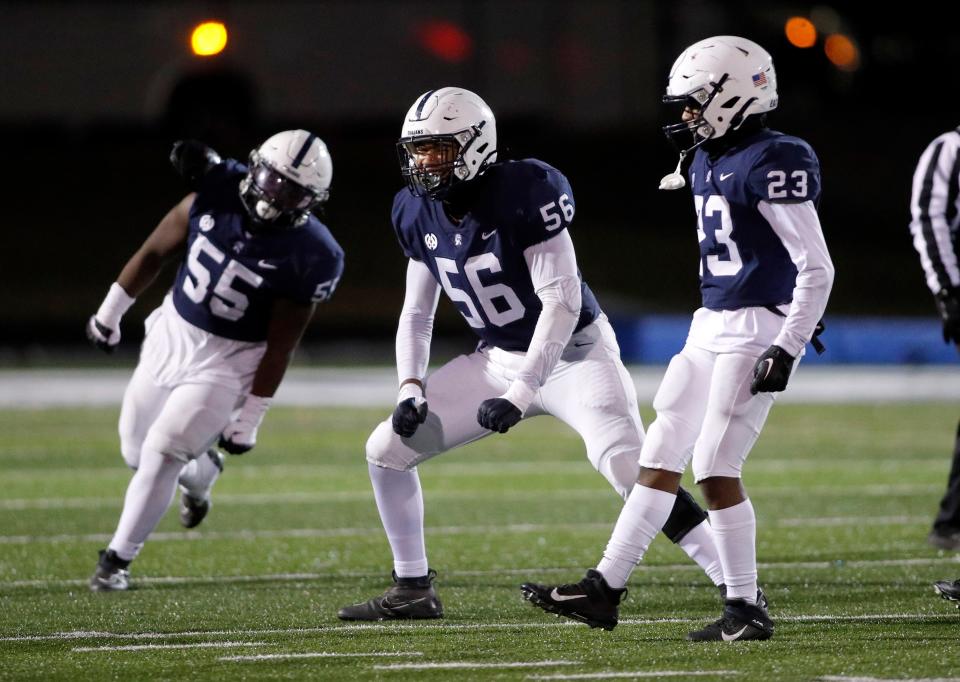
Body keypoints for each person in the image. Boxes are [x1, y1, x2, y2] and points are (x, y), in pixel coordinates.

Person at [336, 86, 728, 624]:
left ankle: (736, 587)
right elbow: (416, 314)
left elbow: (562, 303)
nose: (425, 163)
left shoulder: (525, 191)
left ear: (476, 147)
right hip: (497, 358)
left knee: (629, 468)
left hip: (575, 356)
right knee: (386, 449)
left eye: (438, 150)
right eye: (418, 150)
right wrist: (409, 386)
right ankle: (412, 588)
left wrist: (521, 395)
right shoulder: (415, 211)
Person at [520, 36, 834, 641]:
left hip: (757, 326)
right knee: (659, 454)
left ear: (735, 95)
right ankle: (604, 588)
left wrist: (788, 345)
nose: (686, 115)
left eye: (695, 102)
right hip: (709, 322)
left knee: (716, 467)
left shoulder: (776, 157)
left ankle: (745, 606)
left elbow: (816, 268)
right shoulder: (708, 158)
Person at [85, 130, 344, 591]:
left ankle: (115, 561)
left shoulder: (315, 254)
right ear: (253, 167)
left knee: (163, 452)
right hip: (173, 334)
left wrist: (252, 416)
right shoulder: (219, 187)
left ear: (313, 201)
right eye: (272, 180)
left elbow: (282, 343)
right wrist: (110, 312)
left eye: (294, 191)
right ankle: (201, 474)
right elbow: (154, 252)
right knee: (133, 448)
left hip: (230, 362)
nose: (276, 196)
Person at [908, 126, 960, 552]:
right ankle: (951, 519)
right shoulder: (949, 149)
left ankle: (952, 519)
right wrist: (948, 291)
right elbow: (929, 217)